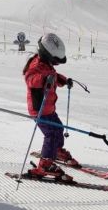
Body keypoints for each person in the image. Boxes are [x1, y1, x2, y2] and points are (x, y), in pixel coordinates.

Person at [23, 33, 76, 180]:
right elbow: (30, 79)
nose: (56, 64)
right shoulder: (35, 65)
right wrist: (44, 79)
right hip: (39, 109)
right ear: (47, 55)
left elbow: (53, 75)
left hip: (49, 108)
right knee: (50, 134)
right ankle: (45, 164)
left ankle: (56, 150)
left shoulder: (46, 65)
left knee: (58, 128)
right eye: (55, 61)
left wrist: (64, 80)